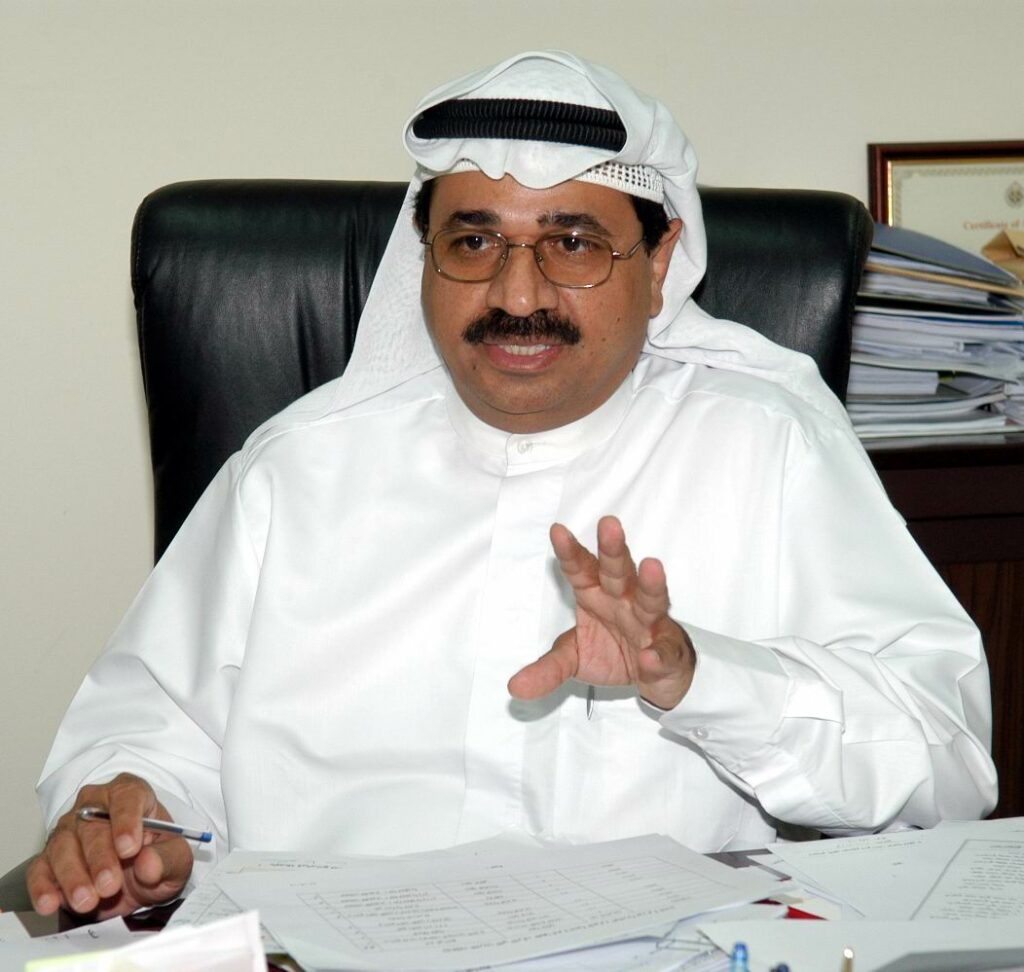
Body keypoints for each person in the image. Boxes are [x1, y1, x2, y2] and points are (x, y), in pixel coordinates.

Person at [30, 51, 996, 920]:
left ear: (659, 262)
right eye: (474, 243)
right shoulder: (295, 470)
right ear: (425, 257)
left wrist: (699, 675)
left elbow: (947, 771)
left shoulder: (770, 448)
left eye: (573, 243)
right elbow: (146, 738)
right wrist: (134, 822)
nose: (518, 295)